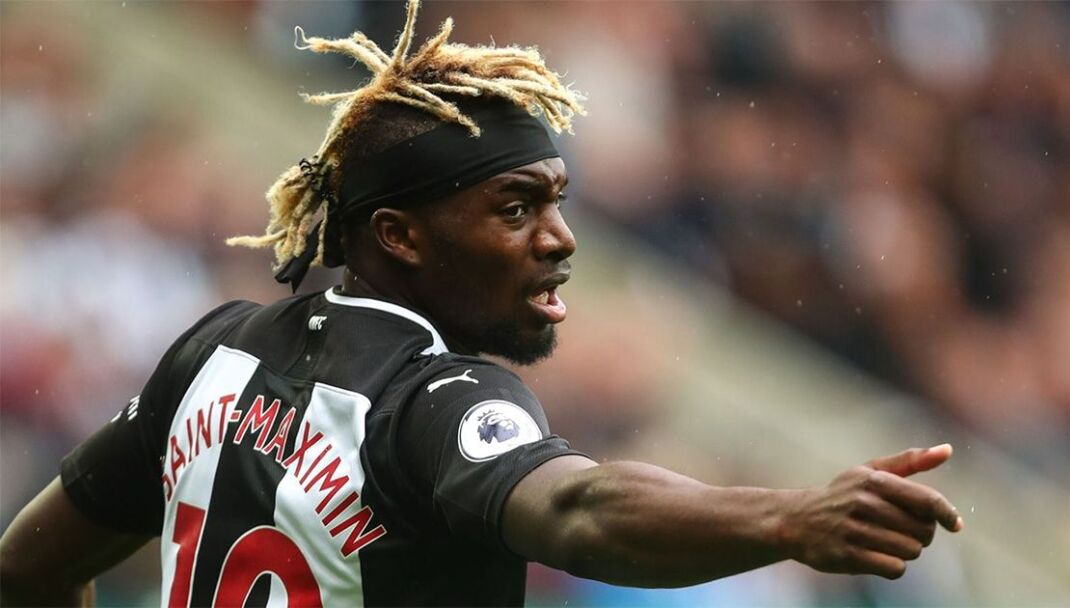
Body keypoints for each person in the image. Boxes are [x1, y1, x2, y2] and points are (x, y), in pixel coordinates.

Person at [0, 2, 963, 606]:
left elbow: (29, 567)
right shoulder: (428, 400)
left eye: (557, 202)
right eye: (515, 208)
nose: (560, 238)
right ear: (400, 236)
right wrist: (789, 520)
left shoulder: (215, 353)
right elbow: (580, 508)